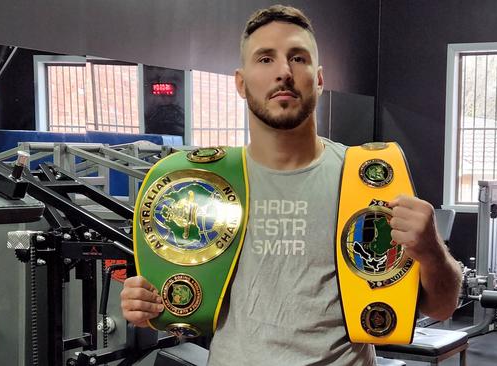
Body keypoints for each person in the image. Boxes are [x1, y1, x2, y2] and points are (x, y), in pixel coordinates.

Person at [121, 5, 462, 365]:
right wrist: (148, 304)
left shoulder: (366, 178)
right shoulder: (208, 187)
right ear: (240, 82)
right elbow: (176, 306)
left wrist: (431, 250)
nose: (283, 72)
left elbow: (442, 306)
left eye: (297, 58)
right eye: (265, 59)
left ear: (318, 78)